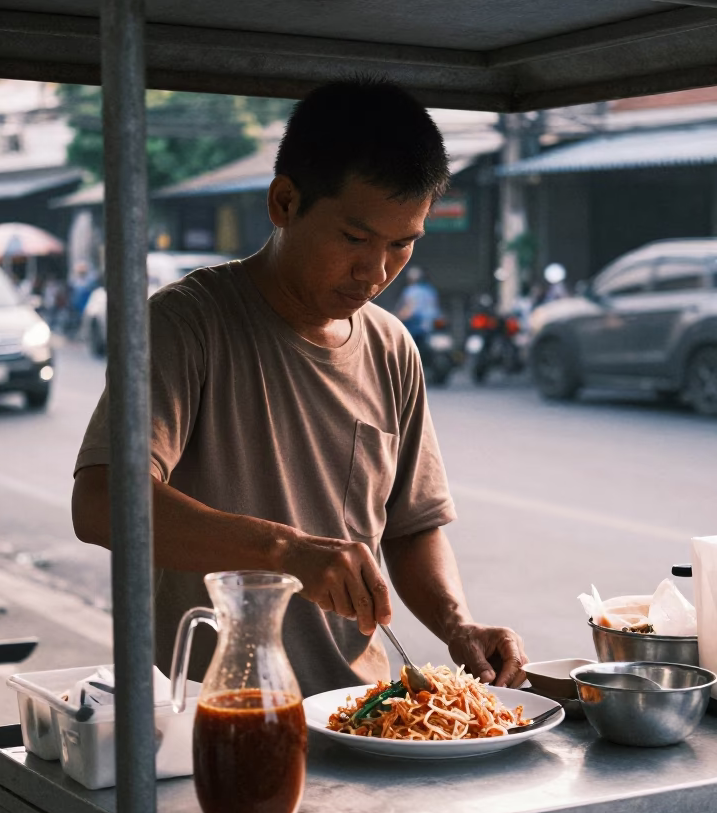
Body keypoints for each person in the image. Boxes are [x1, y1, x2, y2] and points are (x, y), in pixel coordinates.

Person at [72, 79, 527, 696]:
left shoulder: (392, 348)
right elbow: (100, 503)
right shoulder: (186, 324)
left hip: (359, 713)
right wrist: (286, 553)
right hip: (213, 709)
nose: (376, 272)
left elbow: (411, 526)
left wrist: (458, 623)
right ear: (284, 202)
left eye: (402, 244)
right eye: (355, 238)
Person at [395, 265, 440, 358]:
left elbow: (409, 310)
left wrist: (394, 318)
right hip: (429, 328)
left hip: (415, 328)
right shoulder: (430, 290)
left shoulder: (410, 291)